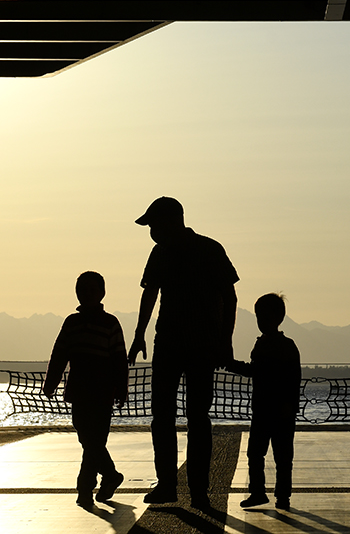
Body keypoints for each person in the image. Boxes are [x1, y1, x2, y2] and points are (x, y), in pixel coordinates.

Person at [127, 196, 238, 509]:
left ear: (169, 221)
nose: (150, 232)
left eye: (152, 225)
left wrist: (224, 340)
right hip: (179, 343)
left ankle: (186, 488)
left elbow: (229, 297)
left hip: (189, 344)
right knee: (182, 417)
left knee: (179, 417)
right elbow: (151, 293)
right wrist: (138, 335)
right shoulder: (183, 250)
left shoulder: (205, 249)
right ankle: (181, 488)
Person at [43, 271, 128, 508]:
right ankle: (110, 476)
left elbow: (120, 360)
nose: (88, 294)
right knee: (88, 439)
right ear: (78, 294)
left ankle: (85, 488)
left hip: (102, 394)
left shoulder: (111, 324)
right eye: (84, 290)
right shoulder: (71, 323)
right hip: (79, 392)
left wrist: (121, 390)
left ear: (102, 293)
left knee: (94, 441)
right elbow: (59, 355)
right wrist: (51, 383)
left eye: (93, 290)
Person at [227, 293, 301, 512]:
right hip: (276, 412)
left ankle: (262, 492)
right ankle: (279, 496)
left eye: (261, 316)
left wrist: (231, 364)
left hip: (268, 410)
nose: (259, 321)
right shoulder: (286, 346)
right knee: (280, 456)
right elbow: (294, 380)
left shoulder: (267, 346)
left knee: (262, 454)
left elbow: (255, 371)